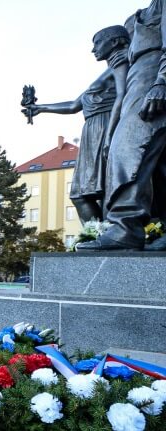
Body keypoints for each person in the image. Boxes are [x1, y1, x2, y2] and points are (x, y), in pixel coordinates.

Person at [79, 4, 166, 250]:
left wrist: (162, 81)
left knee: (129, 145)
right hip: (140, 75)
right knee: (159, 163)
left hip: (152, 72)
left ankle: (125, 227)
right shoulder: (139, 16)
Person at [23, 25, 130, 224]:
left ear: (115, 42)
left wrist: (110, 135)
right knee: (82, 193)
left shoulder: (121, 63)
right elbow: (74, 105)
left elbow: (122, 96)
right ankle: (98, 234)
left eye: (98, 43)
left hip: (106, 125)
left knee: (104, 189)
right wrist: (40, 108)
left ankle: (108, 234)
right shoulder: (107, 72)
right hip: (92, 131)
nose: (93, 49)